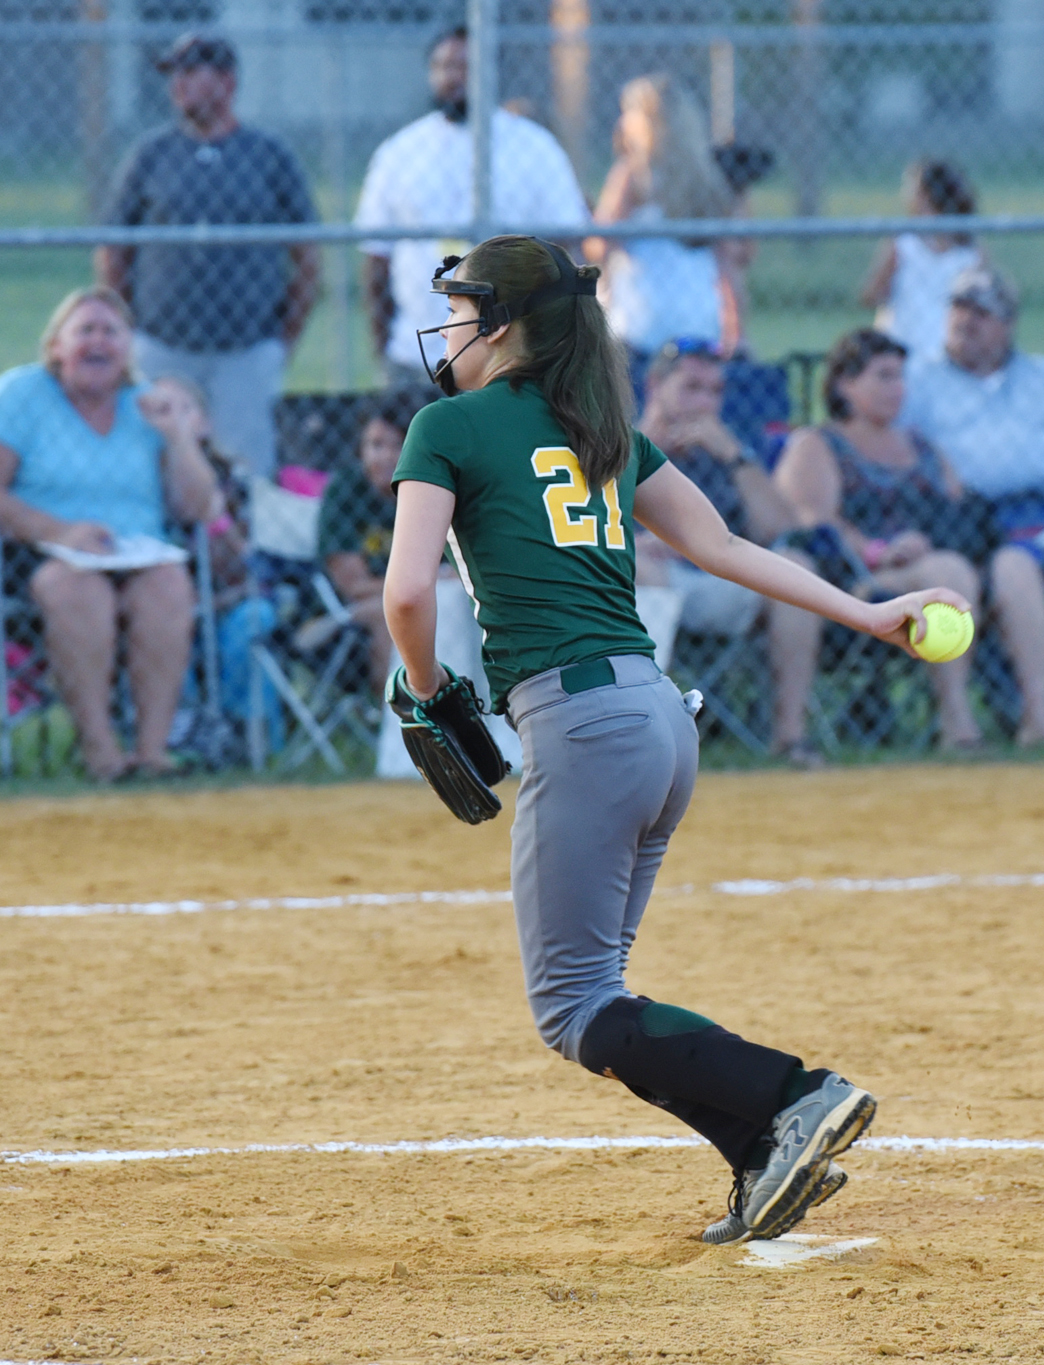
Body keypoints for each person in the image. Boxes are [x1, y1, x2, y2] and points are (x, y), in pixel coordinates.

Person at [382, 235, 971, 1243]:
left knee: (573, 1010)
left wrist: (429, 692)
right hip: (660, 719)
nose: (449, 327)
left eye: (464, 307)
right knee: (604, 999)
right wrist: (867, 612)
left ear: (505, 324)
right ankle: (760, 1154)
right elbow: (723, 545)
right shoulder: (603, 426)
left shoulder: (448, 425)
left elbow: (405, 595)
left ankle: (796, 1094)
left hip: (582, 728)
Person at [0, 288, 216, 780]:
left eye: (111, 332)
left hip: (136, 551)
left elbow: (198, 507)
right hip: (39, 551)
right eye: (85, 331)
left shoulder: (147, 404)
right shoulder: (22, 395)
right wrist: (59, 531)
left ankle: (152, 752)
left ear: (128, 348)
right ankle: (101, 752)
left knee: (169, 585)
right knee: (78, 591)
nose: (98, 342)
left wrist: (178, 437)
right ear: (56, 346)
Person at [97, 32, 320, 477]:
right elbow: (114, 251)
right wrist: (130, 327)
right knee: (154, 465)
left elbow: (308, 257)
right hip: (163, 344)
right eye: (173, 75)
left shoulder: (267, 154)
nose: (177, 85)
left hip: (246, 348)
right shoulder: (151, 154)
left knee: (245, 472)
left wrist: (280, 342)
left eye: (190, 73)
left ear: (226, 82)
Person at [904, 265, 1044, 744]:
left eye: (981, 313)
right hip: (962, 520)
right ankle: (962, 724)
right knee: (994, 569)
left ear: (1008, 324)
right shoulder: (920, 382)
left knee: (1016, 565)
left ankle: (1038, 720)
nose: (966, 321)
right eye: (959, 308)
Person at [773, 328, 982, 754]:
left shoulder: (921, 446)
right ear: (844, 385)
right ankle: (790, 733)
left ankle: (957, 725)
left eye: (901, 377)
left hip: (918, 569)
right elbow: (813, 522)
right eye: (883, 376)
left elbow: (958, 511)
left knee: (950, 570)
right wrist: (877, 552)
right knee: (940, 572)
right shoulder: (818, 444)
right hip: (849, 579)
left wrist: (921, 543)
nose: (897, 388)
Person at [355, 26, 589, 393]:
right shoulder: (400, 151)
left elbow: (567, 247)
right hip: (417, 357)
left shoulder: (534, 148)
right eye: (442, 66)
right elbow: (376, 260)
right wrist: (382, 349)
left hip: (509, 361)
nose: (452, 77)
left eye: (464, 66)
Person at [632, 338, 823, 761]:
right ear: (655, 386)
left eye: (715, 391)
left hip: (721, 578)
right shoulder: (619, 446)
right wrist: (647, 449)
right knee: (638, 566)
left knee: (796, 564)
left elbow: (782, 529)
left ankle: (790, 736)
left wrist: (734, 455)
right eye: (691, 388)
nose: (705, 403)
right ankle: (649, 741)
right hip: (650, 580)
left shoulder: (731, 450)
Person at [144, 375, 283, 754]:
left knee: (253, 620)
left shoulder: (233, 478)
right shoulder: (137, 479)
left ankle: (247, 734)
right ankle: (178, 732)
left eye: (183, 408)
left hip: (230, 598)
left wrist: (218, 521)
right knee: (160, 627)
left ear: (205, 423)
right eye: (160, 408)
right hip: (163, 604)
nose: (171, 417)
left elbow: (247, 563)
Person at [586, 73, 738, 360]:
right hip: (701, 324)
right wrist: (736, 331)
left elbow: (598, 245)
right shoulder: (707, 177)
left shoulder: (633, 175)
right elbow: (729, 262)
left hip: (640, 327)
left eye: (628, 113)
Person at [316, 396, 417, 694]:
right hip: (351, 611)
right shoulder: (346, 490)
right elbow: (355, 586)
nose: (385, 457)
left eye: (397, 445)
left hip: (430, 596)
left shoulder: (428, 488)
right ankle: (398, 710)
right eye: (375, 445)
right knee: (391, 614)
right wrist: (427, 585)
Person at [861, 159, 982, 366]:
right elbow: (873, 296)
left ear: (924, 195)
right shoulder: (965, 248)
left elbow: (871, 295)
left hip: (932, 349)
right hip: (917, 347)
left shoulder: (905, 243)